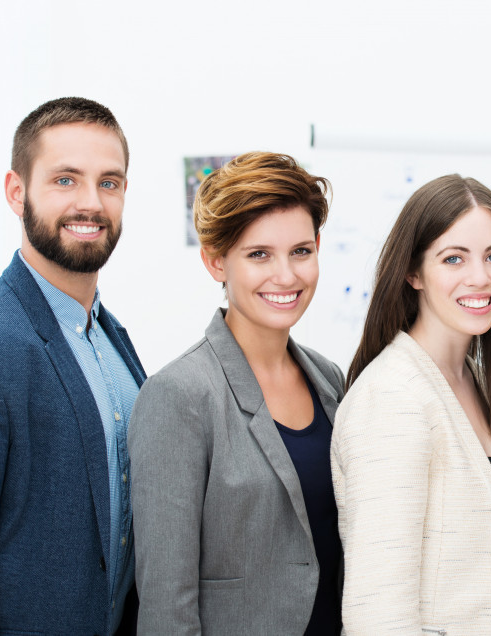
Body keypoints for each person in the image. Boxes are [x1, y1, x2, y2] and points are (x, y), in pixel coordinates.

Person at [0, 97, 145, 634]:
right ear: (17, 192)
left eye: (109, 182)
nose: (91, 203)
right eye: (65, 180)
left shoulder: (111, 335)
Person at [128, 152, 345, 634]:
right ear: (215, 261)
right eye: (259, 254)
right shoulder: (178, 396)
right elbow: (167, 605)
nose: (286, 276)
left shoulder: (331, 380)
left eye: (301, 251)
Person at [331, 174, 491, 635]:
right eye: (453, 258)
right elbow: (378, 612)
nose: (480, 277)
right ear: (413, 272)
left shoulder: (473, 382)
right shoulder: (393, 396)